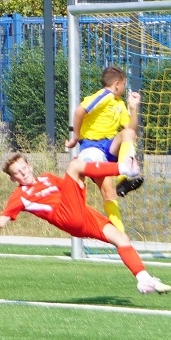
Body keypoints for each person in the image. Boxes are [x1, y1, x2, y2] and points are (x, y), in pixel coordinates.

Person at [0, 153, 171, 295]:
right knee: (74, 166)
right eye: (17, 173)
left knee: (121, 238)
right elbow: (1, 222)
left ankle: (144, 279)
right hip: (67, 216)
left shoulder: (47, 178)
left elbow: (68, 187)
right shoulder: (20, 195)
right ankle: (123, 168)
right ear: (13, 179)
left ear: (30, 166)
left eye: (23, 168)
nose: (23, 173)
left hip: (82, 212)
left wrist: (81, 172)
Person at [63, 66, 144, 235]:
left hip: (108, 146)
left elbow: (131, 128)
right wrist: (75, 137)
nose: (125, 88)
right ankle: (120, 236)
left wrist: (133, 108)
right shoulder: (104, 95)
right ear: (117, 84)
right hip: (92, 149)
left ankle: (123, 178)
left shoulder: (119, 103)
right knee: (108, 192)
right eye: (124, 84)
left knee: (129, 133)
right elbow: (79, 111)